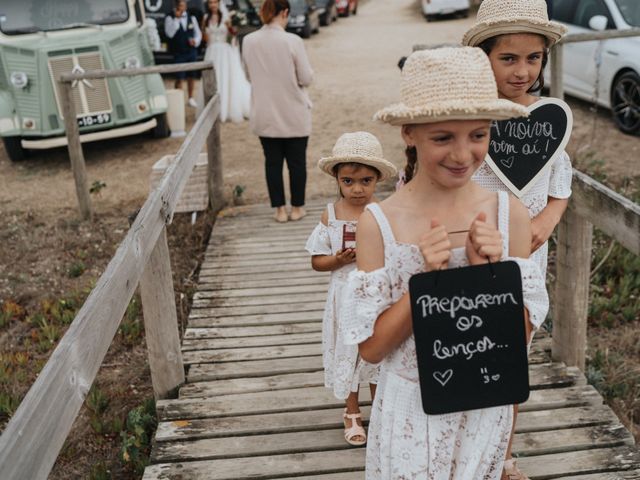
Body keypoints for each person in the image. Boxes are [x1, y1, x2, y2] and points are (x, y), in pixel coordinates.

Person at [342, 47, 550, 479]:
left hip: (485, 401)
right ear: (409, 133)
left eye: (478, 135)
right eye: (442, 138)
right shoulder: (378, 224)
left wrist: (487, 277)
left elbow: (521, 337)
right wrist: (422, 281)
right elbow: (372, 348)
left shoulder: (509, 214)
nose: (462, 154)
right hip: (412, 409)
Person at [462, 3, 571, 477]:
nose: (523, 71)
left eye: (534, 58)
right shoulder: (471, 116)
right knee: (466, 356)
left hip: (525, 260)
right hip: (470, 256)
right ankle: (460, 450)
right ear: (484, 57)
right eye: (508, 58)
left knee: (510, 363)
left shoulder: (546, 122)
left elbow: (561, 182)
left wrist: (548, 216)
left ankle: (501, 455)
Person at [305, 132, 397, 446]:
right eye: (348, 181)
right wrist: (337, 259)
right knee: (349, 352)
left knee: (378, 355)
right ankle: (351, 410)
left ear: (377, 180)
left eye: (366, 181)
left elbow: (395, 254)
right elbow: (316, 261)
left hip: (374, 295)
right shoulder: (330, 216)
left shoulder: (383, 213)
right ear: (337, 179)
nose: (357, 189)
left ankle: (382, 411)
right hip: (344, 295)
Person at [242, 0, 313, 223]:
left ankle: (280, 210)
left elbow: (248, 75)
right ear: (284, 12)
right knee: (297, 163)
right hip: (292, 111)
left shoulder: (248, 40)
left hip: (265, 112)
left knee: (272, 163)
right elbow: (306, 78)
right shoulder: (293, 40)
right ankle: (297, 208)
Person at [198, 0, 251, 122]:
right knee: (212, 78)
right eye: (210, 3)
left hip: (224, 51)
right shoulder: (206, 18)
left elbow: (232, 35)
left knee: (226, 77)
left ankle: (227, 108)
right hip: (212, 51)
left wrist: (231, 27)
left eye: (215, 2)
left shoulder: (227, 17)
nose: (213, 5)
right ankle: (212, 109)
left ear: (218, 3)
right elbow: (204, 37)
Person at [165, 0, 202, 107]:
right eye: (180, 5)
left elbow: (198, 33)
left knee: (191, 76)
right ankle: (179, 99)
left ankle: (190, 98)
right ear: (176, 6)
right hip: (179, 52)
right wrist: (176, 19)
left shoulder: (192, 18)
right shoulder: (170, 18)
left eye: (184, 5)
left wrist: (195, 41)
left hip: (191, 51)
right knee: (179, 77)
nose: (183, 7)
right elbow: (170, 34)